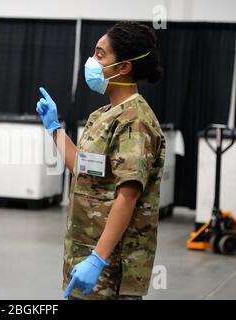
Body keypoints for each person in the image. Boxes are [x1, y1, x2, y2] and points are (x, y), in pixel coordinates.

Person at [36, 21, 166, 300]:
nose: (92, 61)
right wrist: (54, 128)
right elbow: (82, 169)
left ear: (123, 67)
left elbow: (128, 196)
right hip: (85, 254)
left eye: (100, 54)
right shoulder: (103, 115)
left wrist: (98, 259)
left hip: (111, 267)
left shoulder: (136, 121)